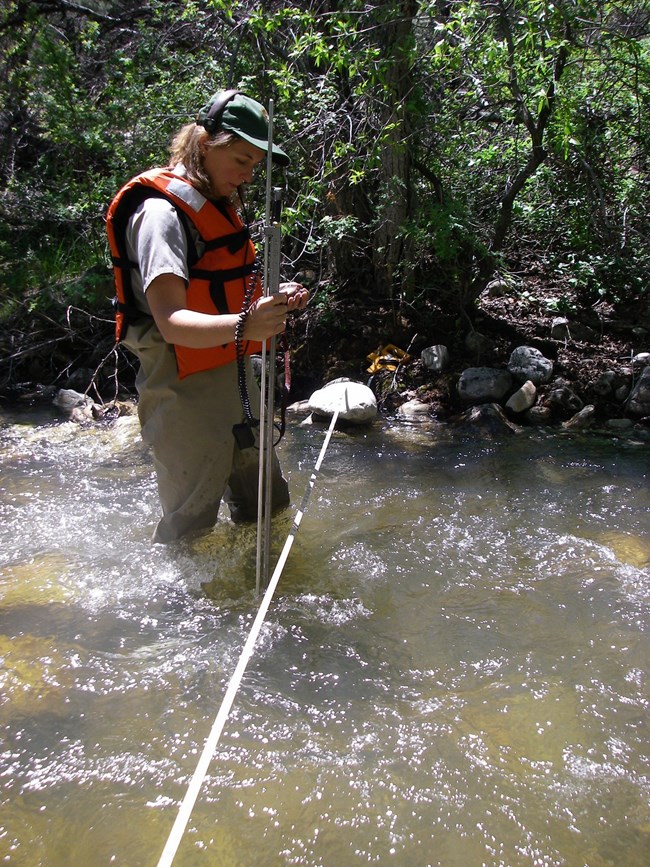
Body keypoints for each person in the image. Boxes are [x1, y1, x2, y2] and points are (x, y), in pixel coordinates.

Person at [106, 90, 309, 543]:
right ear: (204, 144)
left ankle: (265, 597)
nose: (246, 175)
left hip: (234, 378)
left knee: (268, 510)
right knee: (189, 530)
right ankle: (187, 611)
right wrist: (246, 325)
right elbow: (172, 321)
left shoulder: (213, 204)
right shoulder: (160, 214)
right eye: (240, 160)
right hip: (182, 387)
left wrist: (275, 300)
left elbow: (225, 291)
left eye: (255, 165)